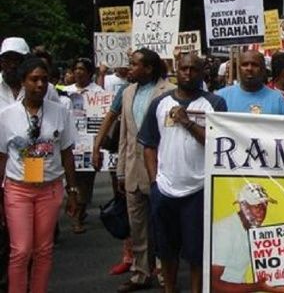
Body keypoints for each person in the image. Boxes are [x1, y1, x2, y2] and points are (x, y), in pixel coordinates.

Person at [138, 54, 227, 293]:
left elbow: (218, 144)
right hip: (165, 189)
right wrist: (155, 181)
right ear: (176, 71)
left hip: (198, 189)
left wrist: (187, 122)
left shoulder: (215, 104)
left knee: (197, 251)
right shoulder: (160, 103)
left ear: (202, 73)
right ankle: (170, 288)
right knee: (166, 249)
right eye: (184, 68)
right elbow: (148, 144)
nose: (188, 73)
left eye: (194, 69)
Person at [0, 57, 78, 293]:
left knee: (43, 250)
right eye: (34, 79)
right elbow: (2, 158)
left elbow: (67, 153)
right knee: (21, 250)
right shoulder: (6, 116)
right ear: (23, 82)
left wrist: (72, 191)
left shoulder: (60, 112)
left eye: (44, 80)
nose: (40, 85)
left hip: (50, 190)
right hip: (18, 190)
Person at [114, 48, 175, 292]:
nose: (130, 68)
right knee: (137, 225)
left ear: (148, 68)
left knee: (162, 225)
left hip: (159, 169)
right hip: (131, 170)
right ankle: (141, 272)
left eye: (134, 64)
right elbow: (124, 135)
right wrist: (120, 170)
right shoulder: (127, 92)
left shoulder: (169, 91)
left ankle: (163, 272)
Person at [211, 183, 284, 293]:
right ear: (243, 206)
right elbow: (212, 284)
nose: (262, 211)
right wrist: (258, 287)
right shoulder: (225, 232)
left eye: (265, 205)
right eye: (257, 205)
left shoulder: (251, 229)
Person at [63, 57, 103, 233]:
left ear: (90, 73)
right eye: (76, 69)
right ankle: (77, 210)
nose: (78, 72)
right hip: (69, 142)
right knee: (70, 179)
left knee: (85, 182)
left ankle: (78, 216)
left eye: (82, 69)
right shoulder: (65, 92)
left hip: (89, 144)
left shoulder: (99, 92)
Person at [217, 51, 284, 115]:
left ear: (263, 70)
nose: (249, 68)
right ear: (239, 69)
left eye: (255, 65)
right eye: (245, 64)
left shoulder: (278, 100)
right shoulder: (221, 98)